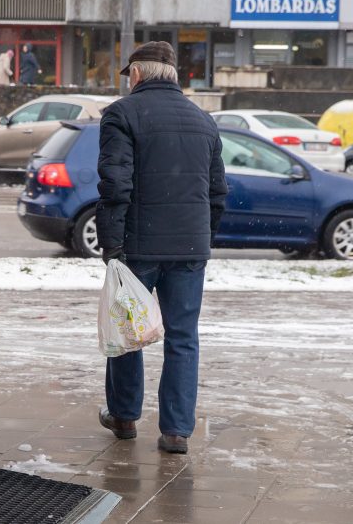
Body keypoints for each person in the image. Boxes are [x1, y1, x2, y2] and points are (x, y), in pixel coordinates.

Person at [95, 41, 227, 455]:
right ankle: (176, 431)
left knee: (129, 332)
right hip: (189, 249)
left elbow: (115, 184)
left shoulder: (122, 114)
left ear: (136, 73)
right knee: (183, 337)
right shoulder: (204, 121)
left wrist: (111, 244)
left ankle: (124, 415)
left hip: (137, 246)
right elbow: (218, 192)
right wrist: (201, 235)